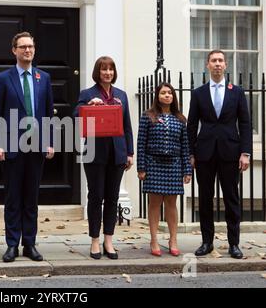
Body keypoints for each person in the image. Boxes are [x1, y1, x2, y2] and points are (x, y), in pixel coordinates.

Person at [0, 32, 55, 263]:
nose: (27, 50)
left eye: (30, 46)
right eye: (23, 47)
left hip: (37, 147)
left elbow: (48, 112)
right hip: (11, 147)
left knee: (31, 198)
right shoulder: (3, 78)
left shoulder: (43, 78)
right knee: (13, 198)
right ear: (14, 50)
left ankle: (29, 244)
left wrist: (50, 141)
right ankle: (11, 245)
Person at [187, 50, 252, 259]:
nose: (217, 64)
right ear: (207, 65)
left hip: (231, 152)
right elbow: (191, 125)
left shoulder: (237, 92)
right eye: (213, 61)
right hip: (204, 153)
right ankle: (207, 242)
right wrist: (191, 153)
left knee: (232, 199)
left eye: (220, 61)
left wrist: (246, 152)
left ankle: (234, 244)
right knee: (205, 199)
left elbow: (245, 123)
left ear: (226, 65)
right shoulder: (198, 93)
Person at [75, 56, 133, 260]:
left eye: (111, 69)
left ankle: (109, 240)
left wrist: (130, 152)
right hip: (94, 153)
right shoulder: (87, 94)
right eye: (103, 69)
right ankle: (95, 241)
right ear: (97, 72)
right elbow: (76, 118)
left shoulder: (121, 95)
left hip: (117, 153)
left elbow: (127, 126)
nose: (107, 73)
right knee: (96, 196)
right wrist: (89, 105)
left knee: (112, 197)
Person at [137, 82, 192, 257]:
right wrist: (141, 167)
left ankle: (173, 239)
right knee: (154, 203)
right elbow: (141, 143)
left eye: (169, 93)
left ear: (173, 96)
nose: (167, 95)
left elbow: (185, 147)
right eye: (163, 93)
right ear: (157, 96)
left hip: (174, 165)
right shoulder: (148, 116)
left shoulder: (180, 119)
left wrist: (187, 170)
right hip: (153, 164)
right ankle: (153, 240)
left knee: (171, 203)